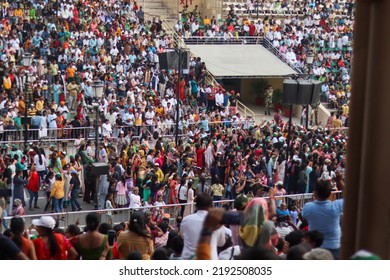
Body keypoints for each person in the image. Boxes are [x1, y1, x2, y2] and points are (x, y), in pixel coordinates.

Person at [302, 180, 343, 259]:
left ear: (315, 193)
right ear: (330, 194)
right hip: (334, 247)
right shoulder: (336, 206)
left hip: (315, 247)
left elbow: (304, 217)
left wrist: (315, 198)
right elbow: (350, 196)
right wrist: (340, 181)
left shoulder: (308, 207)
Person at [180, 193, 226, 260]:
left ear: (196, 206)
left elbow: (183, 235)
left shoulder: (186, 220)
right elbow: (221, 243)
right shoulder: (216, 222)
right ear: (211, 205)